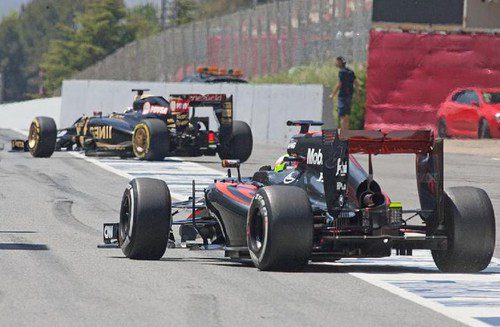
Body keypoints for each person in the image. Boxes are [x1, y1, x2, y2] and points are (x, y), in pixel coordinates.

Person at [331, 56, 360, 131]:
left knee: (342, 116)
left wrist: (333, 94)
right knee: (346, 116)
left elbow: (339, 84)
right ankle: (346, 133)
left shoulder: (341, 72)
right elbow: (356, 83)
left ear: (340, 62)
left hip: (342, 96)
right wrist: (357, 95)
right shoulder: (350, 71)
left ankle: (343, 134)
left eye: (337, 62)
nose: (335, 63)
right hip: (349, 96)